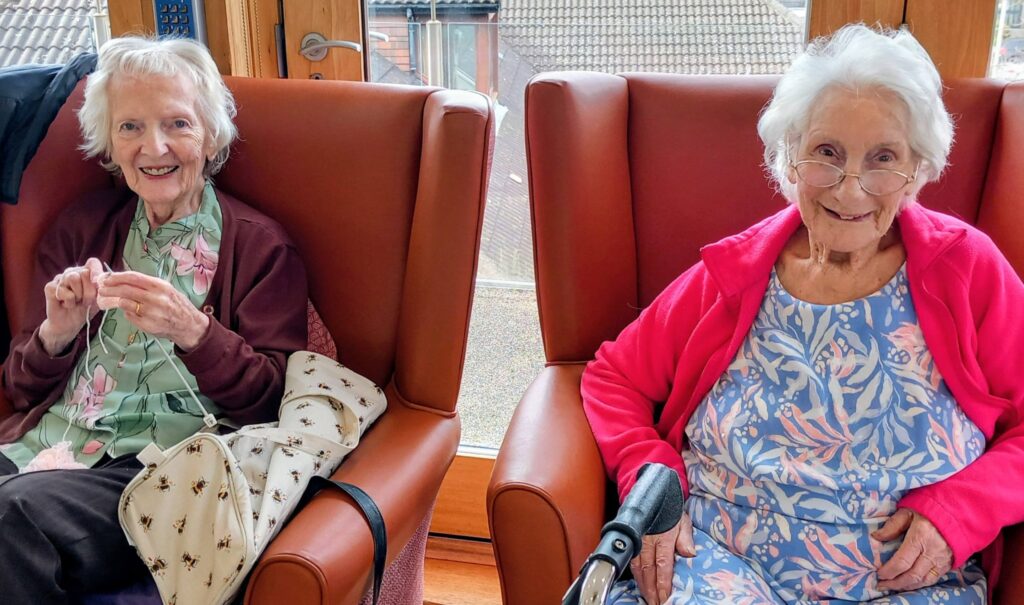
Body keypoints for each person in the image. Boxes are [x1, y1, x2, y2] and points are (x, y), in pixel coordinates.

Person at [584, 25, 1023, 605]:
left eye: (883, 158)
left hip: (901, 584)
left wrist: (961, 510)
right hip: (715, 562)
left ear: (917, 168)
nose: (850, 190)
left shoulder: (966, 269)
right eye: (827, 154)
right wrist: (652, 479)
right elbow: (614, 377)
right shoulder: (736, 272)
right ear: (790, 158)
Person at [0, 36, 308, 603]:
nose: (154, 147)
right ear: (109, 143)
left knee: (9, 516)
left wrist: (194, 330)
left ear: (210, 135)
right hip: (44, 447)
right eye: (131, 127)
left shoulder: (260, 248)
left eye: (178, 124)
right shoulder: (80, 230)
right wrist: (57, 333)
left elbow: (272, 403)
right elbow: (18, 390)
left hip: (156, 476)